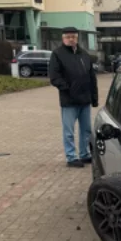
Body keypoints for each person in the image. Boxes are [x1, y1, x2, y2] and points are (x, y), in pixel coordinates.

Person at [48, 27, 98, 168]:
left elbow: (91, 77)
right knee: (69, 131)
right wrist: (67, 89)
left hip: (85, 100)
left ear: (77, 38)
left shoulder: (84, 54)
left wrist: (94, 97)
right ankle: (71, 157)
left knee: (86, 130)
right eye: (68, 37)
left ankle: (84, 154)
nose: (71, 39)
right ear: (63, 38)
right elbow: (54, 77)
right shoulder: (57, 54)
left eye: (74, 37)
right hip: (69, 100)